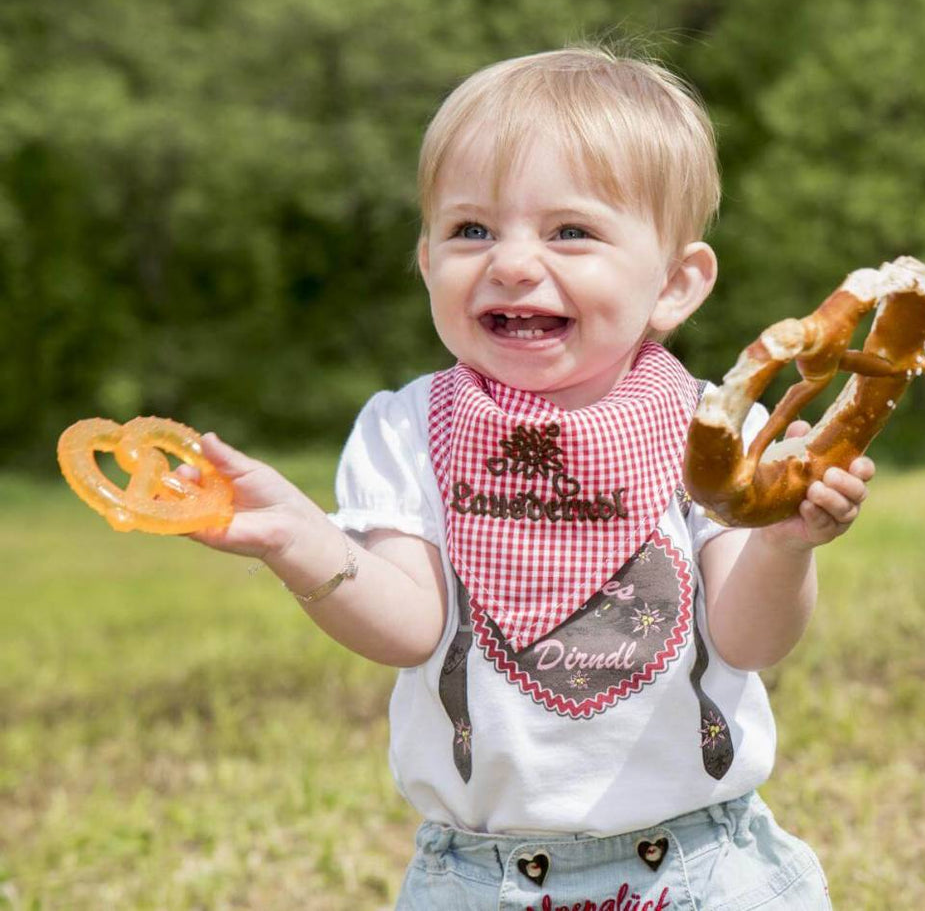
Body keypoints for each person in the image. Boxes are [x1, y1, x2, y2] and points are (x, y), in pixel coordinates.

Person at [188, 45, 873, 909]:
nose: (510, 263)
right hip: (485, 878)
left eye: (569, 232)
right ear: (426, 259)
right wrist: (301, 541)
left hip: (701, 863)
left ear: (673, 284)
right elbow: (409, 628)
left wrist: (781, 546)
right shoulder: (405, 430)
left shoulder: (710, 428)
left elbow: (749, 640)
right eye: (471, 229)